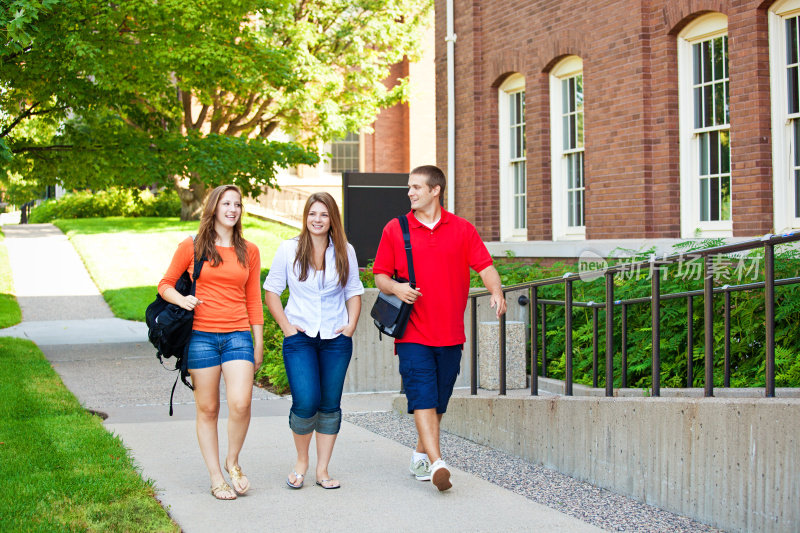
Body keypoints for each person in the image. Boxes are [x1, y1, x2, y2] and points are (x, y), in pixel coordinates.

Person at [373, 165, 506, 492]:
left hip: (450, 335)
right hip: (412, 333)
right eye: (409, 187)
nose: (410, 193)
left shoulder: (461, 229)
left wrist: (497, 292)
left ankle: (420, 452)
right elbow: (379, 276)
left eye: (416, 187)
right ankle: (437, 463)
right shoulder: (396, 228)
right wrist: (397, 289)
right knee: (422, 396)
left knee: (439, 399)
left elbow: (485, 266)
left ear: (436, 190)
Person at [158, 184, 263, 500]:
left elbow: (254, 299)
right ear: (214, 208)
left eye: (238, 204)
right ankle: (217, 477)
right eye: (227, 203)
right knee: (208, 408)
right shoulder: (191, 246)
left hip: (237, 336)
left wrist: (257, 343)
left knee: (241, 403)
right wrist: (183, 298)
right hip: (201, 337)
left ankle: (233, 460)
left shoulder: (250, 250)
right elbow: (164, 284)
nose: (233, 209)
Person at [264, 192, 363, 490]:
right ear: (305, 217)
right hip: (300, 338)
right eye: (312, 214)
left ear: (332, 218)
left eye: (323, 214)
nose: (317, 220)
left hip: (335, 338)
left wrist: (350, 327)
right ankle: (301, 462)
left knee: (330, 405)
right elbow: (271, 292)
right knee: (306, 402)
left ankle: (322, 470)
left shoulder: (345, 250)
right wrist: (286, 328)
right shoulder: (288, 249)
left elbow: (354, 291)